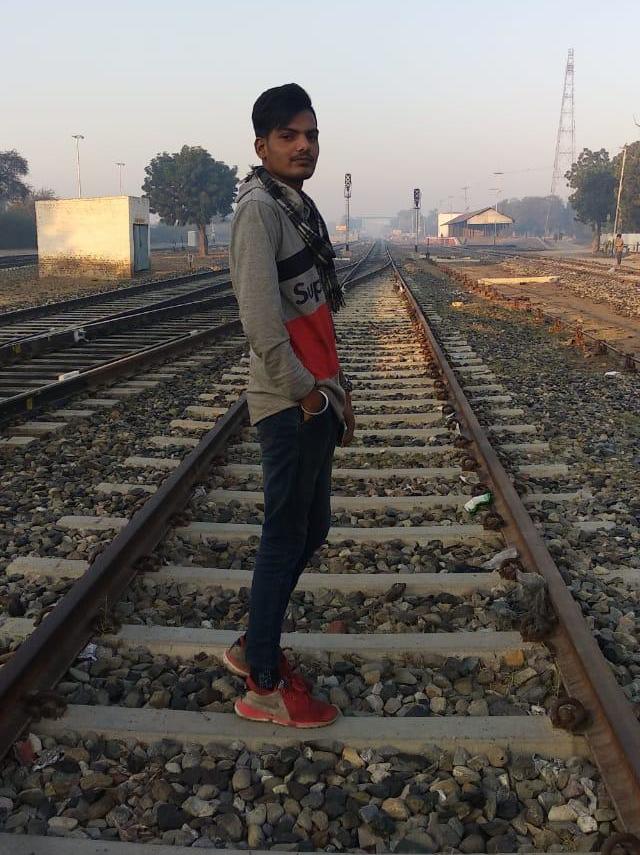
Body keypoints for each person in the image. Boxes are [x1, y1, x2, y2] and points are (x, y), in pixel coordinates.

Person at [226, 83, 356, 728]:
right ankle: (264, 685)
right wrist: (305, 393)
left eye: (311, 135)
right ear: (262, 145)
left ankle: (256, 640)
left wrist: (334, 390)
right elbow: (259, 320)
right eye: (288, 136)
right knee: (285, 535)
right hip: (290, 401)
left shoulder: (295, 205)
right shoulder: (260, 210)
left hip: (315, 394)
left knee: (312, 527)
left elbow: (313, 310)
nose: (303, 146)